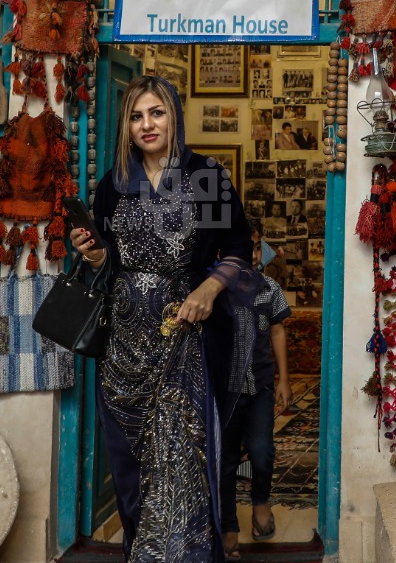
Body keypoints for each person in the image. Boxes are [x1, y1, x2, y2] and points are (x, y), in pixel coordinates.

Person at [71, 75, 260, 561]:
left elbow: (239, 248)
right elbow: (110, 263)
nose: (146, 124)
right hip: (123, 350)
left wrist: (210, 287)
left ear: (174, 116)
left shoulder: (206, 176)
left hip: (186, 340)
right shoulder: (111, 187)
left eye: (156, 112)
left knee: (183, 463)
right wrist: (94, 257)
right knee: (132, 470)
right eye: (136, 116)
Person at [221, 220, 292, 560]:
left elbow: (278, 331)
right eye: (243, 247)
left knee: (262, 451)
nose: (250, 254)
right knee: (225, 458)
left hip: (261, 385)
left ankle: (261, 503)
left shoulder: (270, 288)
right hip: (225, 392)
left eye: (254, 247)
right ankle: (228, 522)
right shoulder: (215, 290)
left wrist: (284, 379)